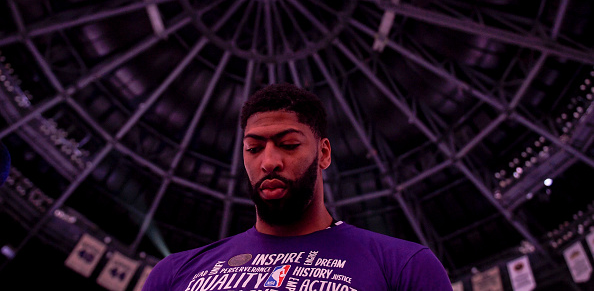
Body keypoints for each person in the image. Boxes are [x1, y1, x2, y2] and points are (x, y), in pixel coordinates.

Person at [142, 83, 453, 291]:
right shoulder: (174, 274)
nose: (269, 162)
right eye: (253, 148)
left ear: (324, 153)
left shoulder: (404, 266)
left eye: (289, 145)